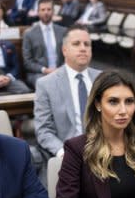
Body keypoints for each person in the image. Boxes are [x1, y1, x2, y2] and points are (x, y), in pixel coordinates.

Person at [34, 25, 100, 158]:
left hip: (102, 151)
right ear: (64, 50)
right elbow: (43, 130)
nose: (83, 48)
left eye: (87, 44)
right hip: (68, 153)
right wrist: (62, 152)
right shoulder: (46, 84)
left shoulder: (102, 79)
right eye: (76, 44)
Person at [22, 0, 67, 87]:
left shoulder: (63, 31)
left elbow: (68, 55)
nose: (46, 12)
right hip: (39, 73)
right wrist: (45, 70)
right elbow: (27, 62)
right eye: (43, 10)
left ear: (53, 11)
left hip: (61, 70)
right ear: (38, 12)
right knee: (47, 83)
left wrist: (60, 69)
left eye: (49, 9)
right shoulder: (29, 34)